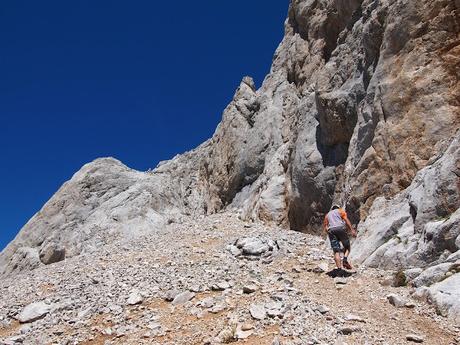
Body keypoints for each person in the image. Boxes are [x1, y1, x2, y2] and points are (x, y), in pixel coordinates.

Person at [323, 204, 357, 270]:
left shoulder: (328, 215)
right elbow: (346, 220)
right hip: (340, 228)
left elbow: (326, 227)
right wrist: (352, 230)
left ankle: (339, 269)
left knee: (336, 251)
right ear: (338, 208)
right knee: (347, 247)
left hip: (331, 230)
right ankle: (345, 259)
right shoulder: (340, 211)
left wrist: (330, 234)